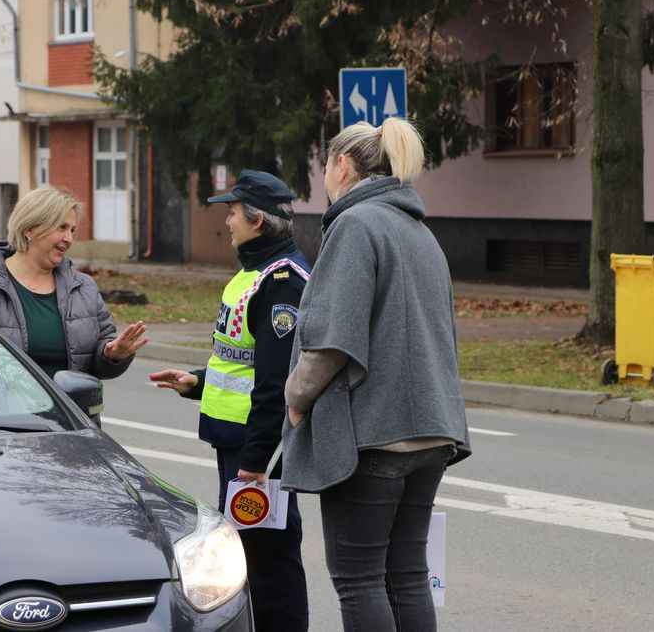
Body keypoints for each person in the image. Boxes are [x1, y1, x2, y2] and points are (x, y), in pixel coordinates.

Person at [281, 118, 472, 632]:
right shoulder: (420, 232)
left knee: (359, 579)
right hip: (432, 430)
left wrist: (297, 399)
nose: (324, 178)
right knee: (408, 574)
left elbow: (331, 340)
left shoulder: (356, 226)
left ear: (342, 165)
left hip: (373, 436)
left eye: (326, 166)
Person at [149, 169, 310, 632]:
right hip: (238, 443)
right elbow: (241, 362)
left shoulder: (282, 282)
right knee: (248, 556)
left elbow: (278, 381)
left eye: (233, 212)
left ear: (257, 219)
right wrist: (196, 382)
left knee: (269, 560)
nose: (228, 222)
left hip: (258, 451)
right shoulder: (253, 274)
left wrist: (257, 460)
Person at [0, 188, 148, 424]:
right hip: (2, 427)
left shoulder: (83, 287)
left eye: (72, 230)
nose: (69, 238)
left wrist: (112, 354)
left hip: (70, 428)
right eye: (61, 227)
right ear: (30, 229)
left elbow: (95, 363)